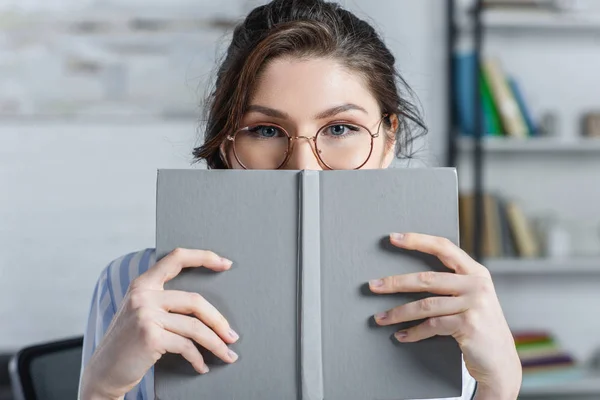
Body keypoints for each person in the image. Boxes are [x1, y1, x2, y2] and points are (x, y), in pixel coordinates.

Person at [79, 0, 522, 399]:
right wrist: (101, 389)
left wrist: (499, 387)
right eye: (266, 130)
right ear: (225, 143)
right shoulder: (129, 286)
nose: (303, 167)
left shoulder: (450, 293)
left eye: (340, 129)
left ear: (389, 139)